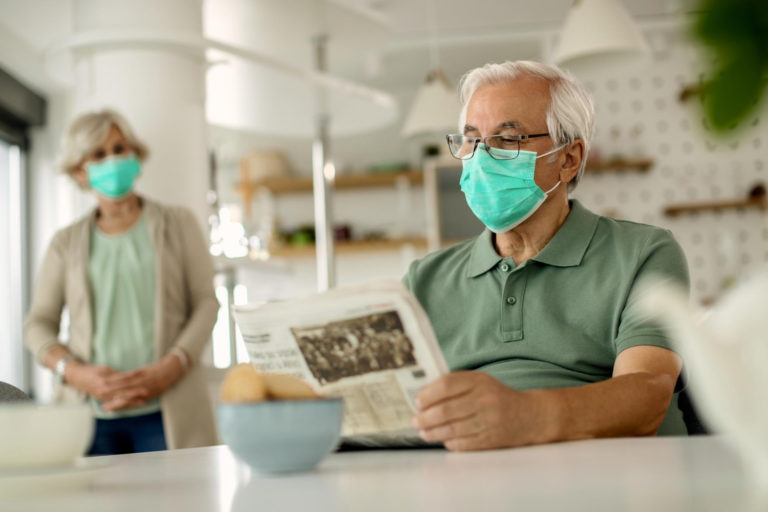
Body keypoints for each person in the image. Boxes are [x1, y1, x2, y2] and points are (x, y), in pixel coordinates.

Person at [406, 61, 689, 451]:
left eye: (507, 140)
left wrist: (526, 416)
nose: (481, 159)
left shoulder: (644, 253)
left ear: (569, 158)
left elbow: (647, 395)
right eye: (471, 140)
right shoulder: (423, 280)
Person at [24, 109, 219, 454]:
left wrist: (172, 366)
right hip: (91, 417)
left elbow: (206, 302)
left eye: (119, 148)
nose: (113, 159)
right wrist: (73, 372)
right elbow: (37, 324)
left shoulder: (178, 224)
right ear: (79, 171)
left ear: (134, 155)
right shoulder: (65, 244)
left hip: (167, 412)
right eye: (98, 154)